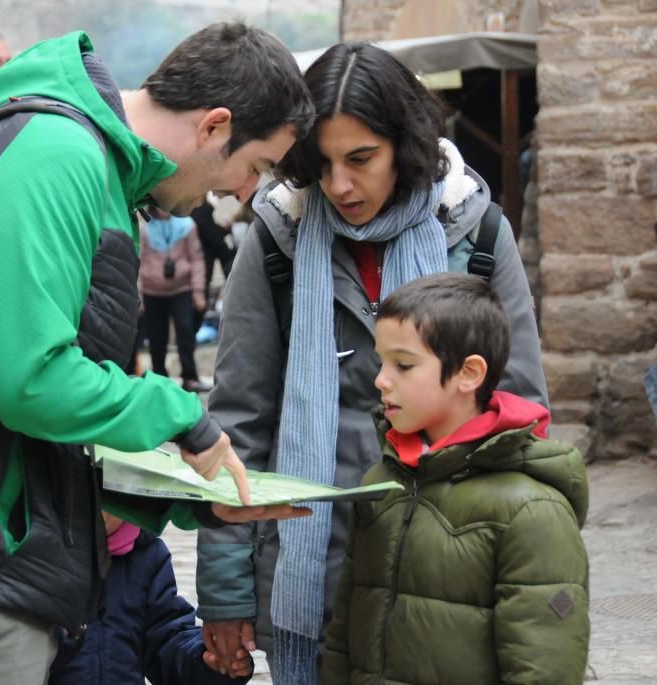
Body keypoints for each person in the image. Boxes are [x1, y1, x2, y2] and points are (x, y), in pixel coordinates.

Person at [0, 23, 315, 685]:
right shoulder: (59, 153)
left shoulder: (95, 164)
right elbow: (29, 380)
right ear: (215, 126)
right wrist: (177, 412)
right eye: (256, 167)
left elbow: (42, 424)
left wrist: (188, 501)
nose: (245, 191)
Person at [196, 41, 549, 684]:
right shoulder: (278, 240)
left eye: (361, 159)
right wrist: (224, 592)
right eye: (322, 163)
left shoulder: (477, 239)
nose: (339, 185)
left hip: (450, 587)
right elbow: (235, 427)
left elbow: (522, 414)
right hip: (312, 577)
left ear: (405, 145)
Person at [322, 272, 589, 683]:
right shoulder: (382, 482)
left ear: (469, 373)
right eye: (381, 362)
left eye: (403, 365)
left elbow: (543, 666)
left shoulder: (532, 511)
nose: (380, 380)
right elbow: (344, 633)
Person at [49, 512, 252, 684]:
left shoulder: (147, 554)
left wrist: (206, 659)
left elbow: (165, 639)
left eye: (107, 493)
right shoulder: (35, 559)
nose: (97, 505)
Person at [138, 209, 210, 393]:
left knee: (185, 329)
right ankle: (160, 376)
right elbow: (140, 260)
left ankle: (190, 376)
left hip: (182, 289)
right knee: (156, 337)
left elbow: (196, 259)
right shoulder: (145, 228)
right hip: (152, 291)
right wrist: (138, 295)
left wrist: (198, 293)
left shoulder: (187, 226)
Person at [191, 194, 235, 330]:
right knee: (197, 304)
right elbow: (213, 236)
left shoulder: (195, 212)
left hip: (198, 264)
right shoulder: (201, 211)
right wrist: (224, 231)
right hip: (201, 265)